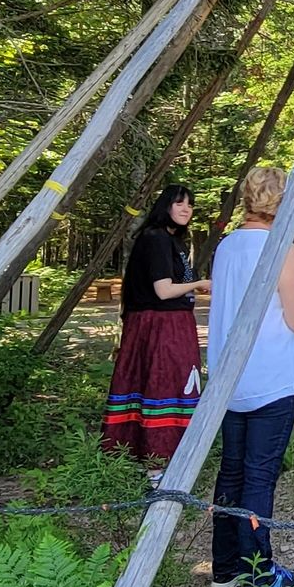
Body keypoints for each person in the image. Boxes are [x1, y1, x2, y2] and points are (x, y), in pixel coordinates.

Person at [206, 166, 294, 587]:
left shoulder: (226, 246)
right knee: (259, 477)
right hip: (271, 377)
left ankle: (225, 567)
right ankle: (260, 576)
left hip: (229, 379)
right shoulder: (282, 250)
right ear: (283, 203)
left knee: (231, 471)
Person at [101, 183, 201, 469]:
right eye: (179, 203)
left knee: (171, 384)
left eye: (190, 204)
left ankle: (168, 454)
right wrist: (201, 284)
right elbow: (163, 290)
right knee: (161, 385)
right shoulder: (156, 238)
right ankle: (157, 459)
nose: (186, 209)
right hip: (159, 325)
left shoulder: (173, 241)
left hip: (172, 323)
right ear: (165, 206)